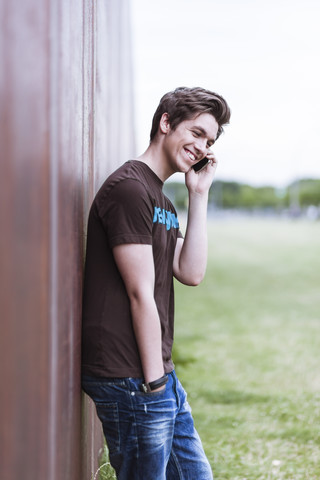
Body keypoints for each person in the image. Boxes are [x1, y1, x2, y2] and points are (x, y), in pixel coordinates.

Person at [81, 86, 231, 479]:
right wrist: (154, 385)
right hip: (132, 379)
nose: (202, 147)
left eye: (209, 140)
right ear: (166, 122)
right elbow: (139, 293)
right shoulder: (130, 189)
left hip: (156, 376)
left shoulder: (160, 199)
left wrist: (198, 195)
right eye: (196, 132)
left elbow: (191, 272)